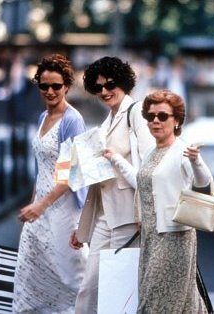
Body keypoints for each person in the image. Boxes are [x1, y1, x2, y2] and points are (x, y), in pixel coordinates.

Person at [109, 89, 213, 313]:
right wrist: (115, 159)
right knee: (178, 300)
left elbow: (202, 180)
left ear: (176, 121)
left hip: (175, 236)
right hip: (151, 237)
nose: (155, 121)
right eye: (150, 116)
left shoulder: (182, 150)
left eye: (162, 116)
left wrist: (196, 161)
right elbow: (141, 181)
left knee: (154, 299)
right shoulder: (150, 153)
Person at [69, 56, 154, 314]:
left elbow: (149, 168)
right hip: (103, 216)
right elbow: (98, 180)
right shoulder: (106, 121)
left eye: (110, 85)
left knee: (120, 291)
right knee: (89, 287)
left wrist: (114, 159)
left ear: (124, 83)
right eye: (99, 88)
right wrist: (82, 227)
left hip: (129, 215)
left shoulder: (137, 113)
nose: (105, 92)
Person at [12, 53, 88, 314]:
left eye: (57, 85)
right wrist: (35, 203)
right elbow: (40, 170)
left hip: (62, 207)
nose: (51, 91)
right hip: (41, 205)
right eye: (44, 86)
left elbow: (71, 173)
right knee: (32, 270)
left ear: (67, 86)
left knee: (68, 275)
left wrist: (41, 205)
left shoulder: (72, 120)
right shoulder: (42, 118)